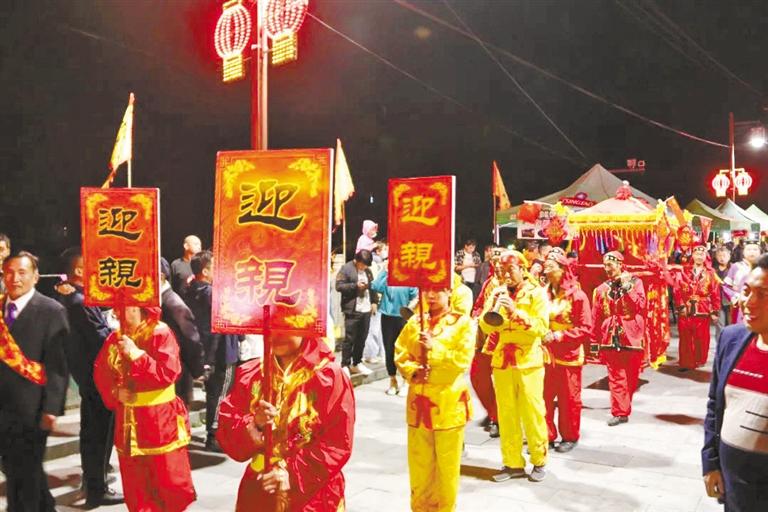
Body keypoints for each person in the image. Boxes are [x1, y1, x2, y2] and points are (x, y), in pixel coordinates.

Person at [216, 334, 355, 511]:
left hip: (311, 495)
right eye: (272, 325)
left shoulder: (329, 377)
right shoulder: (251, 373)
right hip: (260, 489)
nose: (277, 333)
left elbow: (336, 443)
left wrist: (291, 473)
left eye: (287, 326)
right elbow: (228, 435)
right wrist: (254, 424)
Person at [94, 306, 196, 512]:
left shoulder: (160, 333)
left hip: (160, 421)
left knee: (169, 481)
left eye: (124, 308)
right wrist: (115, 392)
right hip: (128, 422)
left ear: (139, 307)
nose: (117, 313)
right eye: (116, 308)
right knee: (135, 486)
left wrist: (137, 355)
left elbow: (168, 373)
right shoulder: (115, 338)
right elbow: (101, 372)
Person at [0, 251, 69, 511]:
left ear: (35, 276)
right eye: (9, 272)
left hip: (32, 407)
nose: (15, 278)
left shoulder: (51, 310)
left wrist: (52, 408)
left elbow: (58, 365)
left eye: (22, 272)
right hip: (2, 406)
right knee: (14, 466)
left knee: (24, 471)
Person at [54, 248, 123, 507]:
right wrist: (119, 332)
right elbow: (101, 338)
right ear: (79, 270)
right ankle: (97, 488)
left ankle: (92, 481)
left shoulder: (70, 297)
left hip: (86, 374)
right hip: (96, 376)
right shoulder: (81, 301)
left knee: (91, 431)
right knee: (100, 433)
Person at [395, 287, 474, 511]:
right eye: (426, 290)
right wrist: (413, 371)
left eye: (437, 290)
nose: (430, 296)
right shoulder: (415, 322)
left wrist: (435, 348)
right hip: (418, 405)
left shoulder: (463, 323)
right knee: (419, 467)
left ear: (449, 291)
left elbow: (462, 361)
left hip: (448, 404)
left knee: (447, 470)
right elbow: (400, 352)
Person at [702, 253, 768, 511]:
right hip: (733, 487)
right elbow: (714, 405)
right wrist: (711, 463)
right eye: (747, 291)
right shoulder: (731, 339)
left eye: (763, 295)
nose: (748, 303)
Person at [479, 250, 550, 482]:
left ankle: (539, 460)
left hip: (529, 361)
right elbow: (486, 326)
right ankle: (512, 463)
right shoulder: (497, 292)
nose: (506, 275)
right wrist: (492, 309)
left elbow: (541, 327)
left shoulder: (537, 293)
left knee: (533, 412)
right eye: (502, 271)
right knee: (506, 414)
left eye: (510, 270)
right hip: (502, 362)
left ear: (522, 269)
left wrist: (515, 312)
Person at [185, 250, 240, 452]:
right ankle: (214, 435)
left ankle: (213, 433)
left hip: (206, 351)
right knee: (221, 395)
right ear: (205, 271)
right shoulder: (212, 293)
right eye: (215, 267)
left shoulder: (190, 291)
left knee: (212, 394)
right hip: (223, 351)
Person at [542, 252, 592, 453]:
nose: (546, 269)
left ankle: (570, 436)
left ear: (562, 269)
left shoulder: (578, 296)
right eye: (545, 265)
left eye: (551, 266)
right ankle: (546, 435)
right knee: (543, 396)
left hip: (568, 353)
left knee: (569, 398)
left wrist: (560, 335)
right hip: (546, 353)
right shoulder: (542, 293)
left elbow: (586, 327)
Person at [591, 251, 646, 426]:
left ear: (620, 265)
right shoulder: (601, 289)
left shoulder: (636, 283)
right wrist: (594, 342)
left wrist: (627, 287)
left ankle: (624, 406)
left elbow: (641, 305)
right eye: (605, 265)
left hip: (632, 335)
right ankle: (620, 412)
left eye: (610, 265)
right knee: (615, 376)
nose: (607, 269)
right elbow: (595, 317)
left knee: (632, 376)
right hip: (610, 336)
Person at [159, 257, 204, 406]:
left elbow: (191, 340)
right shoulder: (161, 301)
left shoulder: (174, 304)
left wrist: (197, 370)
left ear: (161, 276)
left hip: (177, 377)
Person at [669, 245, 721, 370]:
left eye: (702, 254)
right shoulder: (683, 271)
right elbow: (677, 289)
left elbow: (715, 292)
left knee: (701, 336)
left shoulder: (710, 273)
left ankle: (699, 359)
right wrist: (681, 306)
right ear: (692, 255)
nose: (699, 256)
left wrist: (715, 311)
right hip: (686, 307)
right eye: (697, 254)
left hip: (703, 308)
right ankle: (686, 362)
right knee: (685, 336)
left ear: (705, 257)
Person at [370, 266, 417, 395]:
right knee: (389, 349)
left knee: (403, 350)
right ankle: (392, 380)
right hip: (387, 316)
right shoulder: (388, 277)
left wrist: (410, 308)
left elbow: (415, 294)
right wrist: (384, 271)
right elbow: (375, 286)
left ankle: (405, 381)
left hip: (403, 317)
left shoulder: (408, 277)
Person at [335, 249, 378, 376]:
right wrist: (355, 285)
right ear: (357, 261)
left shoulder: (368, 271)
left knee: (362, 338)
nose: (364, 267)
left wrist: (374, 301)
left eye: (366, 265)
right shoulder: (346, 268)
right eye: (363, 265)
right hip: (352, 309)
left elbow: (372, 286)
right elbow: (339, 286)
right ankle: (345, 364)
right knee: (349, 339)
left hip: (366, 309)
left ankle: (357, 363)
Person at [724, 240, 761, 324]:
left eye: (755, 249)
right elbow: (726, 286)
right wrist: (736, 296)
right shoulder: (736, 267)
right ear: (743, 252)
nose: (752, 252)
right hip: (741, 307)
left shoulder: (764, 267)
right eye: (749, 249)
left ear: (760, 252)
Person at [363, 241, 388, 365]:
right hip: (374, 300)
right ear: (378, 251)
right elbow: (374, 284)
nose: (386, 252)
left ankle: (379, 354)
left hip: (381, 300)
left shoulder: (381, 264)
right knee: (373, 329)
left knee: (379, 329)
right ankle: (370, 354)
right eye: (385, 249)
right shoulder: (372, 265)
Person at [714, 245, 732, 339]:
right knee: (720, 325)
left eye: (724, 256)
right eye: (719, 256)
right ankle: (720, 344)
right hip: (718, 300)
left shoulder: (733, 269)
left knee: (731, 325)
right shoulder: (713, 270)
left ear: (729, 257)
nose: (722, 258)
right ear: (716, 257)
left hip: (731, 301)